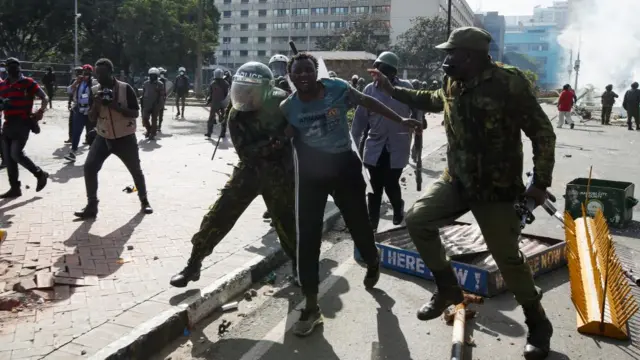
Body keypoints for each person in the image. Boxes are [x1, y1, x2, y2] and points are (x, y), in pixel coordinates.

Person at [369, 27, 556, 360]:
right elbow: (432, 100)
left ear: (470, 55)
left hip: (496, 189)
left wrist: (540, 182)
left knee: (507, 259)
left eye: (450, 53)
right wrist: (392, 89)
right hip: (456, 180)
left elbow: (542, 132)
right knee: (418, 220)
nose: (445, 59)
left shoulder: (508, 83)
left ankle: (538, 323)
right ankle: (447, 288)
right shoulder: (452, 81)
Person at [280, 52, 422, 337]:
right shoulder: (288, 106)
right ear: (291, 77)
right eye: (298, 73)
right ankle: (311, 305)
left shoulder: (337, 89)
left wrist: (402, 119)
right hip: (311, 173)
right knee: (307, 236)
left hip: (343, 166)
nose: (303, 76)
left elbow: (368, 101)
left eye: (308, 70)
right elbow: (289, 134)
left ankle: (372, 260)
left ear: (316, 72)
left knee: (358, 224)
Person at [170, 62, 297, 288]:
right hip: (249, 172)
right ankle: (193, 264)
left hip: (281, 175)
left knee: (288, 225)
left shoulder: (285, 104)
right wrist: (278, 139)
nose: (246, 95)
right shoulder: (237, 114)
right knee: (218, 216)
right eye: (243, 89)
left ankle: (299, 266)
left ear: (266, 90)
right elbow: (247, 153)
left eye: (252, 90)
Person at [73, 58, 153, 218]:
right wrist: (96, 104)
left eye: (102, 74)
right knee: (89, 167)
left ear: (111, 72)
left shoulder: (125, 88)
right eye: (97, 73)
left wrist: (115, 106)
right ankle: (92, 205)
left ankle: (144, 201)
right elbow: (91, 118)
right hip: (103, 136)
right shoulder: (95, 90)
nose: (99, 77)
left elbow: (135, 113)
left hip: (125, 137)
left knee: (135, 171)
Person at [352, 51, 421, 231]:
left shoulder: (405, 88)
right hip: (375, 145)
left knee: (391, 183)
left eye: (385, 70)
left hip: (399, 145)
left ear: (393, 72)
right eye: (378, 68)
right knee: (374, 188)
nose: (380, 73)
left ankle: (398, 207)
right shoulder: (368, 90)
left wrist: (419, 127)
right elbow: (359, 120)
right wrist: (352, 146)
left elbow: (417, 110)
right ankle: (371, 226)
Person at [0, 57, 50, 198]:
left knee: (16, 153)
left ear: (19, 67)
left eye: (14, 66)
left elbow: (44, 97)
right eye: (9, 66)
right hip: (8, 123)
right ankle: (14, 188)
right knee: (9, 159)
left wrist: (40, 111)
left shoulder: (28, 83)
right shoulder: (3, 85)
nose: (12, 69)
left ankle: (39, 174)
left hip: (23, 122)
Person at [64, 64, 95, 162]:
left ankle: (93, 154)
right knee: (76, 131)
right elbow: (68, 90)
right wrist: (76, 82)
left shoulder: (94, 83)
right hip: (79, 109)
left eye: (88, 73)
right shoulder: (77, 82)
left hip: (90, 110)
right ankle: (73, 152)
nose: (85, 75)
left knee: (91, 132)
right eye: (84, 73)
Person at [205, 69, 229, 139]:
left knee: (211, 118)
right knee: (223, 118)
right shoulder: (225, 83)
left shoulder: (213, 83)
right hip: (222, 103)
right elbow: (226, 94)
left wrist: (209, 100)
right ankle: (223, 133)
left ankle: (209, 133)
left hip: (215, 103)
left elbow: (210, 94)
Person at [140, 67, 164, 140]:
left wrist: (160, 104)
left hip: (155, 104)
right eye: (151, 75)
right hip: (146, 104)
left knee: (154, 120)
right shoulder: (146, 83)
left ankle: (152, 133)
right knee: (145, 119)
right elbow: (143, 93)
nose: (152, 76)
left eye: (154, 75)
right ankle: (149, 130)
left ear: (157, 76)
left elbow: (162, 95)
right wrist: (142, 101)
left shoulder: (160, 84)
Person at [157, 67, 168, 132]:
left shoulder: (164, 80)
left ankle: (159, 126)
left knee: (160, 113)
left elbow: (166, 89)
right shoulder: (153, 80)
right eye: (161, 73)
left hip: (161, 98)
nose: (162, 74)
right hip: (154, 99)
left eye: (163, 73)